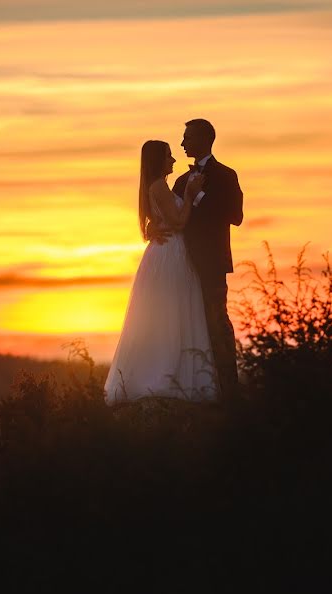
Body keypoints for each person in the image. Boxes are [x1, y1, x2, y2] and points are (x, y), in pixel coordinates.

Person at [103, 140, 217, 405]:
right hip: (170, 254)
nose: (174, 160)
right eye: (168, 156)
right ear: (158, 160)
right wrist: (189, 195)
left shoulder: (158, 187)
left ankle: (171, 372)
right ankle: (164, 376)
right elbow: (177, 222)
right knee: (173, 313)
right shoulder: (160, 186)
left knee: (172, 314)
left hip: (167, 251)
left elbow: (161, 220)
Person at [165, 119, 243, 401]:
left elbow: (236, 216)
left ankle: (229, 391)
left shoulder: (225, 175)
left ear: (204, 139)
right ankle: (193, 390)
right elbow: (171, 217)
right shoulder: (180, 180)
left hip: (211, 266)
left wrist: (198, 196)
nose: (183, 143)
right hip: (181, 266)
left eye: (187, 138)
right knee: (186, 327)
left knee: (217, 323)